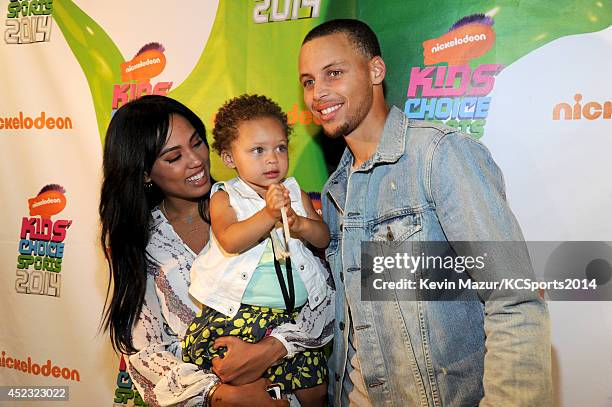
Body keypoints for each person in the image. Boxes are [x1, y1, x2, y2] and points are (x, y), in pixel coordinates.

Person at [298, 19, 552, 406]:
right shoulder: (337, 188)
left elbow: (514, 301)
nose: (319, 93)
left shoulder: (440, 155)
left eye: (334, 73)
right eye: (308, 81)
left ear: (375, 70)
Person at [99, 95, 334, 407]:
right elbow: (146, 353)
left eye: (197, 144)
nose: (196, 160)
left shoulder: (260, 202)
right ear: (144, 173)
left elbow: (325, 297)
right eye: (173, 158)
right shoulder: (145, 245)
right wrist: (219, 394)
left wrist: (274, 348)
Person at [184, 94, 331, 407]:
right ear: (229, 158)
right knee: (250, 386)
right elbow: (230, 239)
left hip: (293, 316)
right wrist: (268, 215)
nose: (272, 159)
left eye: (280, 147)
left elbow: (323, 238)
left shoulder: (294, 191)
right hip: (242, 312)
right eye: (258, 150)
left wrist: (300, 223)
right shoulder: (225, 196)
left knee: (315, 390)